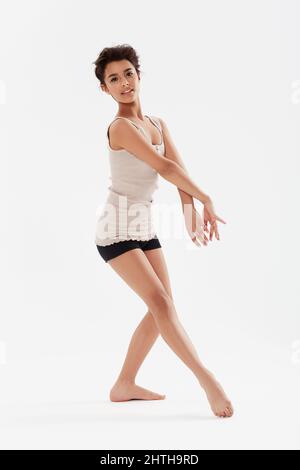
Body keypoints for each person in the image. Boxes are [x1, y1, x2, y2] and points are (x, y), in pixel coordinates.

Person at [93, 44, 234, 418]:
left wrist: (190, 211)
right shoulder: (120, 128)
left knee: (163, 310)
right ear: (105, 89)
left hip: (143, 225)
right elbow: (163, 166)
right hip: (115, 229)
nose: (123, 83)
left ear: (139, 75)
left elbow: (178, 169)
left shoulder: (157, 124)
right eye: (113, 79)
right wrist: (206, 198)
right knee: (161, 306)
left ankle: (124, 384)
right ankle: (208, 380)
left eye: (128, 74)